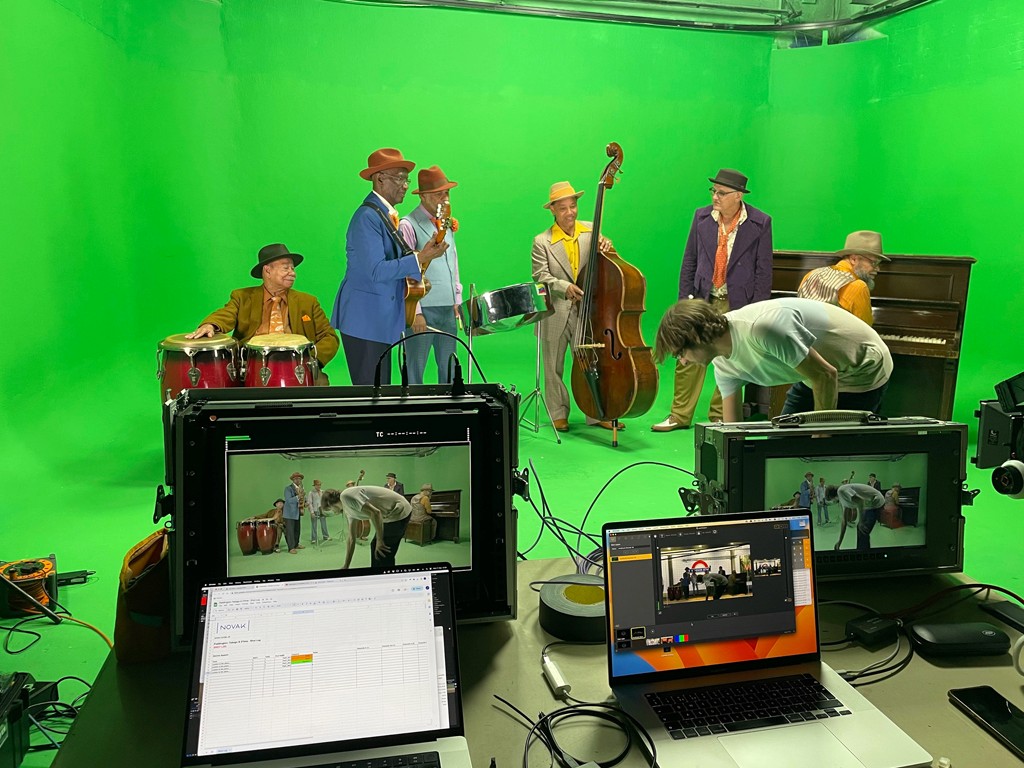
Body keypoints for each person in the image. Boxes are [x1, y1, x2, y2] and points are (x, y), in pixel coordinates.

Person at [652, 169, 773, 432]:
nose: (715, 196)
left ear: (738, 195)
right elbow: (690, 261)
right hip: (703, 298)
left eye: (721, 192)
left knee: (730, 358)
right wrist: (685, 301)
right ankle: (679, 415)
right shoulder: (702, 217)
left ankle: (720, 417)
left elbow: (764, 270)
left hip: (738, 302)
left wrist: (758, 310)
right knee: (687, 356)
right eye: (713, 191)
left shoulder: (760, 222)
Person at [654, 296, 893, 422]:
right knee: (781, 444)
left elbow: (826, 375)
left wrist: (822, 437)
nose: (683, 362)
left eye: (680, 353)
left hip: (862, 368)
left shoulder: (763, 328)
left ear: (696, 336)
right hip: (812, 375)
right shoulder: (723, 363)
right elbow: (733, 429)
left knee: (830, 456)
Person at [331, 148, 449, 386]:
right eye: (399, 178)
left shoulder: (385, 214)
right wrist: (420, 257)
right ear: (380, 178)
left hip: (378, 320)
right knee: (370, 393)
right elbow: (375, 271)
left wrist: (423, 256)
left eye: (407, 179)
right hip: (364, 321)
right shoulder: (367, 217)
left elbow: (396, 264)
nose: (405, 185)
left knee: (380, 392)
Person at [531, 181, 619, 432]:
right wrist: (563, 286)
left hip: (587, 311)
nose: (570, 212)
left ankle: (596, 412)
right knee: (553, 365)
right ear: (553, 211)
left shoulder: (591, 230)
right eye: (563, 209)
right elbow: (540, 275)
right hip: (556, 311)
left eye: (573, 206)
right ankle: (558, 413)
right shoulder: (542, 241)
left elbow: (607, 257)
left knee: (590, 362)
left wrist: (607, 245)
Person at [186, 244, 340, 382]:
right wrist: (210, 325)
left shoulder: (308, 302)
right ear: (267, 271)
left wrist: (312, 359)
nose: (292, 273)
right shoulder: (242, 297)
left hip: (298, 367)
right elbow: (227, 313)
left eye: (292, 268)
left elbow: (329, 337)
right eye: (286, 268)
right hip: (251, 367)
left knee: (321, 384)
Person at [398, 166, 463, 385]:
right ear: (424, 196)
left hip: (447, 307)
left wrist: (457, 300)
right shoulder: (408, 225)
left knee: (449, 364)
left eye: (447, 193)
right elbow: (406, 270)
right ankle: (415, 411)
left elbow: (452, 263)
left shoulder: (447, 223)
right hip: (422, 308)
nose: (444, 198)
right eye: (438, 194)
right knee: (416, 366)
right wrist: (415, 312)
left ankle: (449, 408)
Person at [798, 231, 888, 325]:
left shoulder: (811, 275)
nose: (878, 268)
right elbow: (864, 334)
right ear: (854, 259)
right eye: (874, 263)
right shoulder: (858, 287)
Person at [322, 486, 413, 570]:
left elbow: (376, 513)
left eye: (330, 509)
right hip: (390, 516)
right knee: (377, 550)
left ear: (330, 503)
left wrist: (380, 540)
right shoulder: (348, 511)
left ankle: (384, 583)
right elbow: (351, 539)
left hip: (399, 510)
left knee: (380, 553)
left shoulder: (345, 496)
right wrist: (346, 566)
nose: (333, 512)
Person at [826, 482, 886, 551]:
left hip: (876, 502)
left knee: (862, 530)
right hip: (870, 505)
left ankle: (863, 554)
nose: (833, 502)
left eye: (831, 500)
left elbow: (860, 501)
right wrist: (839, 542)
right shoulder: (842, 499)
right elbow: (844, 522)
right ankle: (861, 552)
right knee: (860, 529)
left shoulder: (841, 490)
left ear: (831, 497)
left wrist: (861, 521)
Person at [282, 471, 305, 554]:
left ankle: (296, 544)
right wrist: (298, 497)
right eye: (296, 479)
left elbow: (301, 500)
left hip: (297, 512)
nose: (298, 480)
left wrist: (305, 503)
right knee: (290, 531)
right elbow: (288, 501)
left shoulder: (301, 489)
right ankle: (291, 548)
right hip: (289, 513)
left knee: (297, 529)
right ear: (293, 480)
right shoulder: (288, 488)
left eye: (299, 478)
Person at [307, 479, 329, 545]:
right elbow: (310, 503)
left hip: (322, 510)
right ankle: (314, 538)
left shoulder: (323, 492)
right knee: (314, 525)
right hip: (315, 510)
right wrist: (312, 512)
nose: (319, 486)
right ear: (315, 486)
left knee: (324, 524)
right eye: (317, 485)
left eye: (319, 485)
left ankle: (326, 536)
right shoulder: (311, 493)